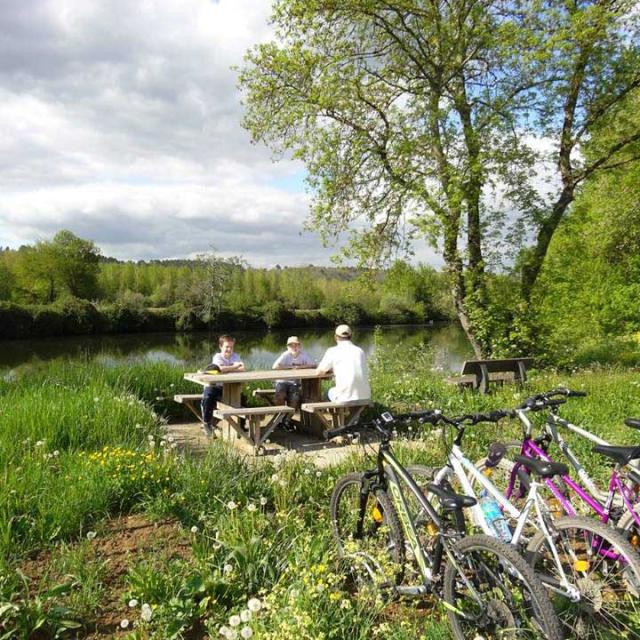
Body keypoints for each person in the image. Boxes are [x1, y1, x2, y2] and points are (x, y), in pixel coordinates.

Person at [200, 334, 245, 436]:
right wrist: (234, 367)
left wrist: (228, 368)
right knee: (208, 396)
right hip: (215, 386)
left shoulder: (236, 356)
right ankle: (207, 423)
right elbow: (219, 368)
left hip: (231, 386)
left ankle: (241, 426)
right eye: (227, 347)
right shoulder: (217, 356)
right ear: (221, 347)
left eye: (231, 347)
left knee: (242, 398)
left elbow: (243, 368)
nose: (229, 349)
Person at [316, 324, 371, 401]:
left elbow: (319, 372)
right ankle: (350, 413)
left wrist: (330, 370)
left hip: (344, 397)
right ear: (351, 336)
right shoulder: (360, 351)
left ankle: (332, 413)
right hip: (365, 396)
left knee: (326, 393)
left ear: (335, 337)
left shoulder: (332, 351)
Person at [272, 336, 316, 412]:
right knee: (280, 396)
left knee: (295, 398)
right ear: (287, 347)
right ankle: (280, 416)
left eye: (296, 345)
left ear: (299, 346)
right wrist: (290, 367)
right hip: (281, 381)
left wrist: (300, 367)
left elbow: (314, 364)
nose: (294, 347)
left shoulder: (303, 355)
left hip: (294, 383)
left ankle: (287, 419)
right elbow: (274, 367)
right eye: (291, 345)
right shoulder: (285, 355)